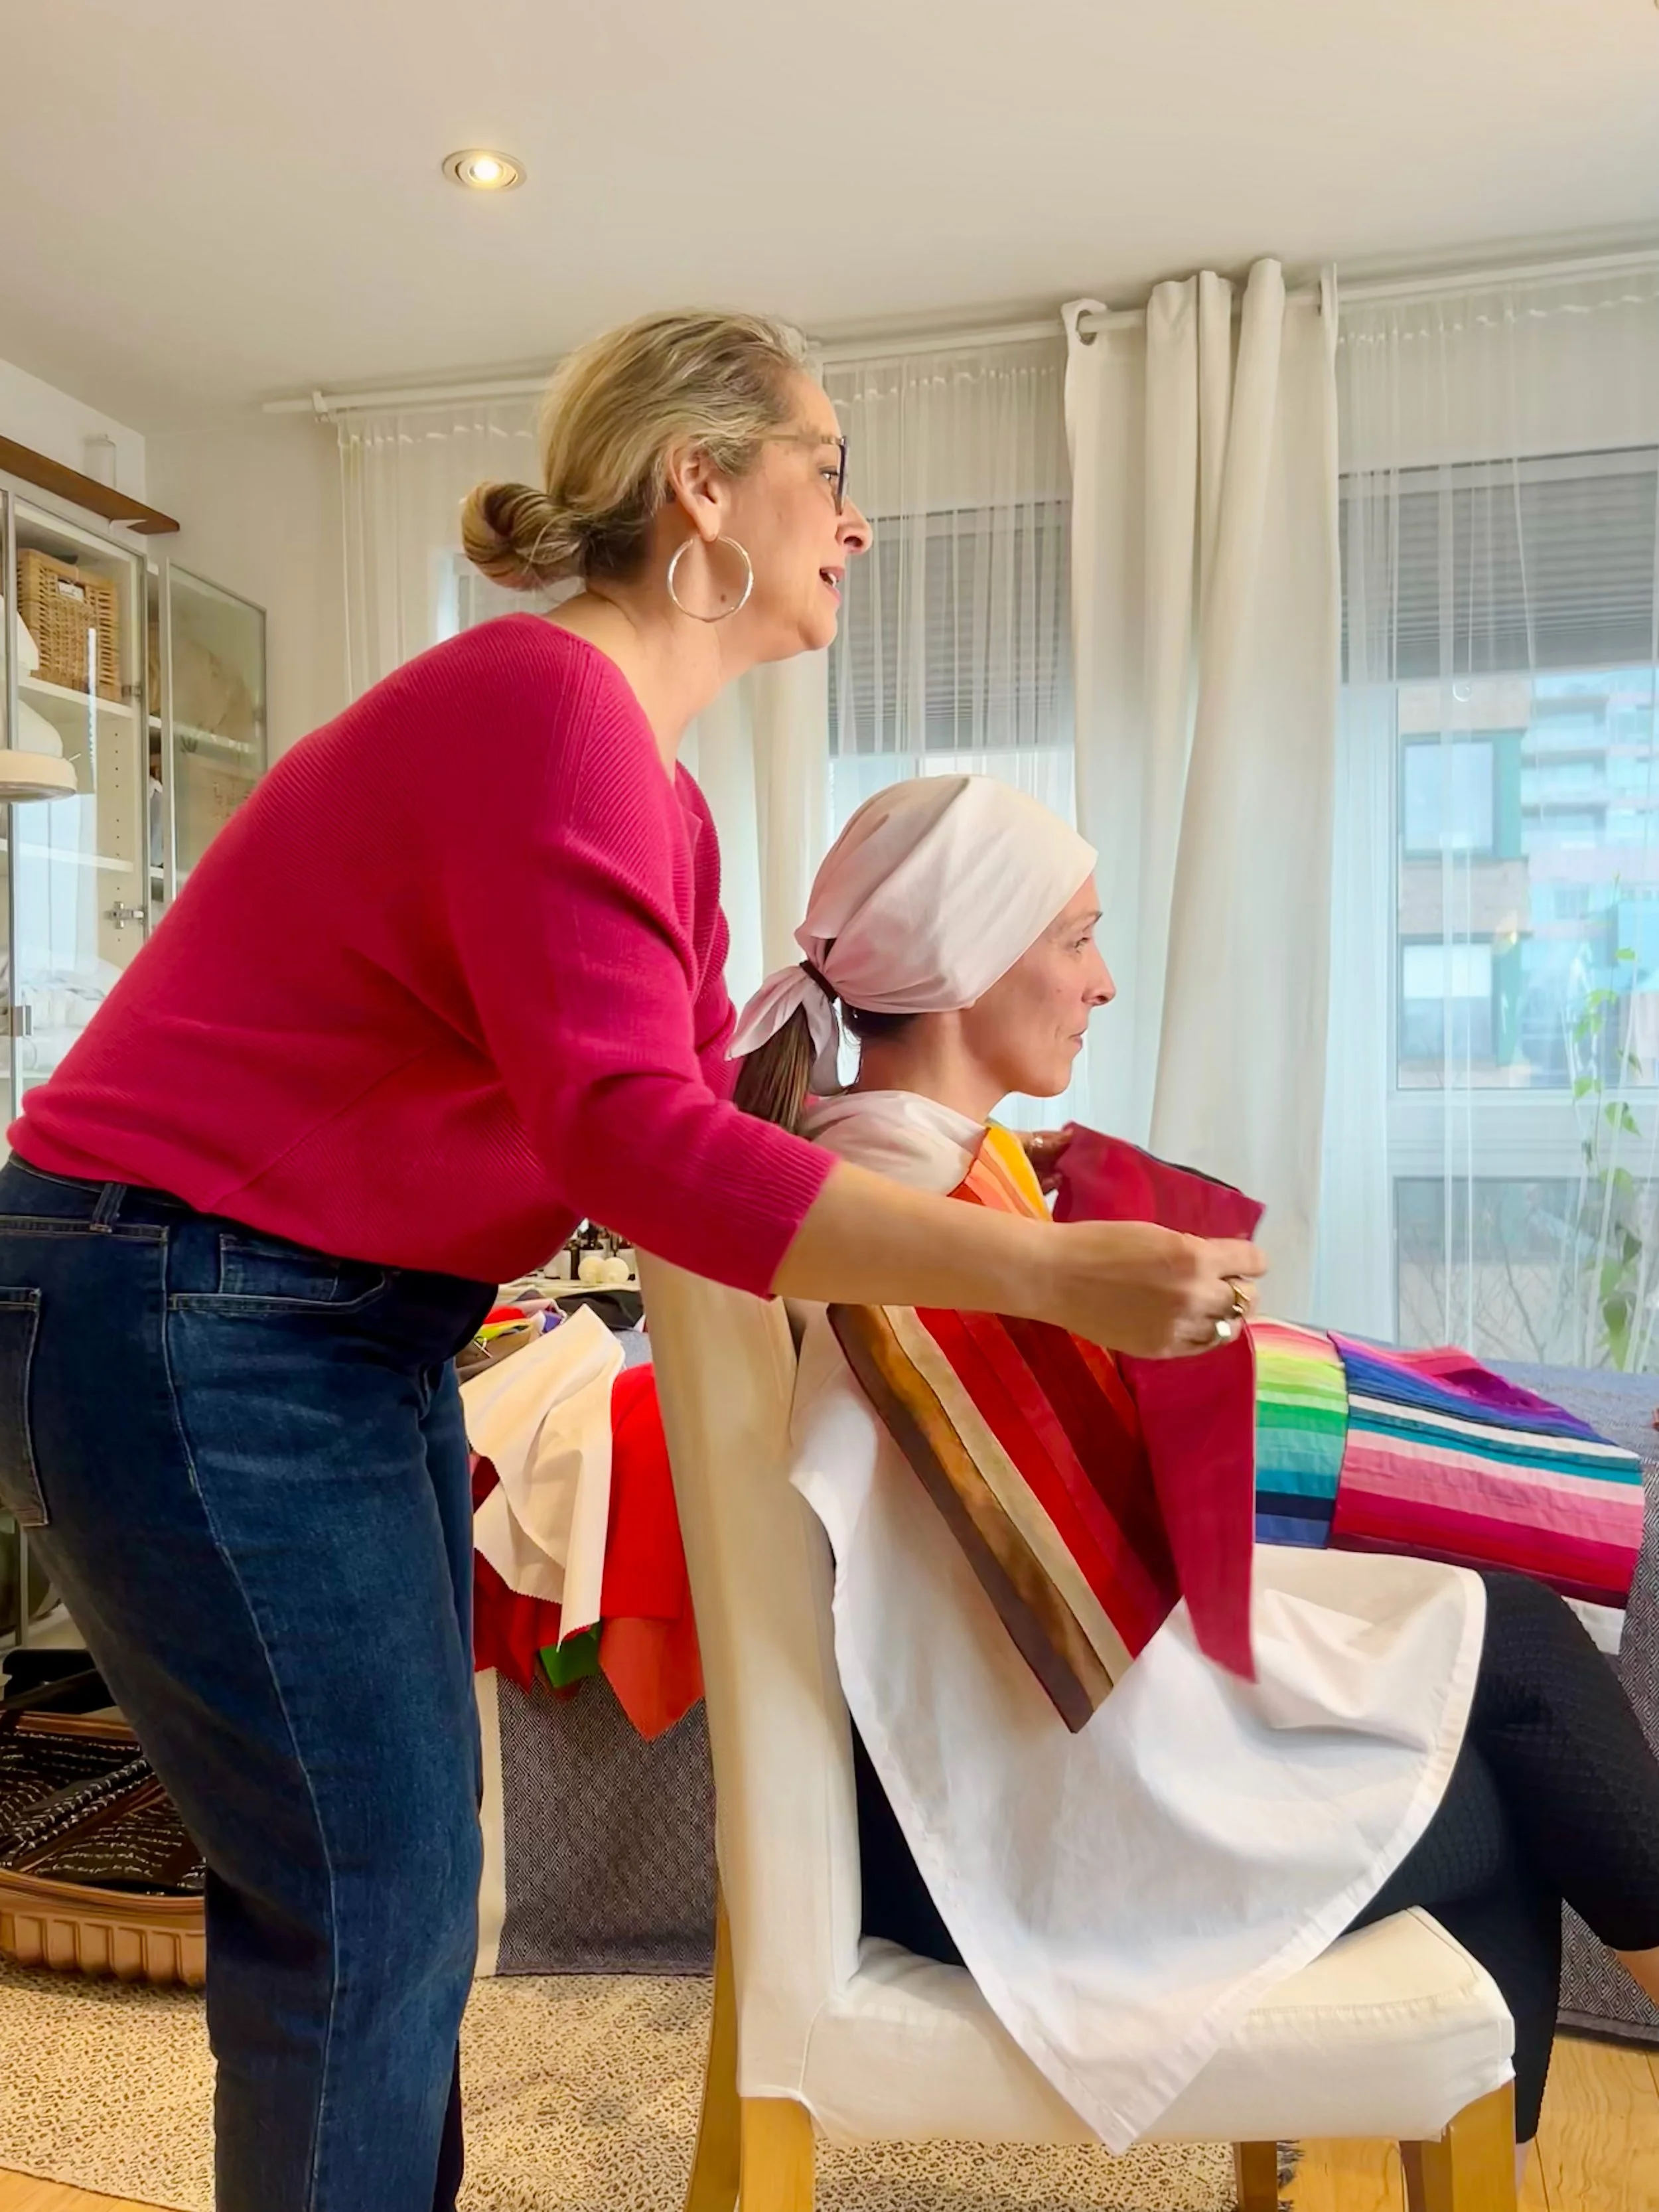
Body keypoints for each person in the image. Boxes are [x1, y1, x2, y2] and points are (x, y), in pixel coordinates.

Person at [0, 314, 1265, 2212]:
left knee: (388, 1893)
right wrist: (1056, 1276)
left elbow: (684, 1117)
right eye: (827, 471)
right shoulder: (545, 710)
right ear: (701, 483)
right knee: (370, 1896)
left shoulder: (644, 785)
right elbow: (636, 1146)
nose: (853, 525)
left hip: (315, 1323)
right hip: (185, 1296)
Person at [729, 772, 1659, 2168]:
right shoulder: (913, 1221)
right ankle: (1472, 2156)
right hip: (1006, 1845)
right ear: (970, 962)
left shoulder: (886, 1176)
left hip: (994, 1784)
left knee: (1490, 1662)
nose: (1099, 980)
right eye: (1073, 937)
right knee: (1513, 1675)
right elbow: (1095, 1550)